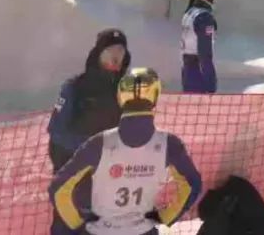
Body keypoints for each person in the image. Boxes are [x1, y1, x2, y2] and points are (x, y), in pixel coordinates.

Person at [49, 67, 202, 235]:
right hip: (143, 230)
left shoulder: (99, 143)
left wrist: (76, 222)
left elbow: (58, 188)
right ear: (155, 96)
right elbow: (192, 184)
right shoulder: (169, 144)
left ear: (121, 97)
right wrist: (166, 216)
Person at [47, 29, 131, 172]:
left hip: (111, 169)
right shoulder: (75, 87)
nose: (116, 57)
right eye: (110, 51)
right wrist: (91, 148)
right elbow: (57, 133)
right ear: (99, 55)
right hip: (74, 166)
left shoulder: (126, 91)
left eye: (120, 52)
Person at [181, 0, 219, 94]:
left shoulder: (190, 12)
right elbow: (204, 53)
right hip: (199, 75)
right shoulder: (204, 17)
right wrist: (210, 84)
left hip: (187, 72)